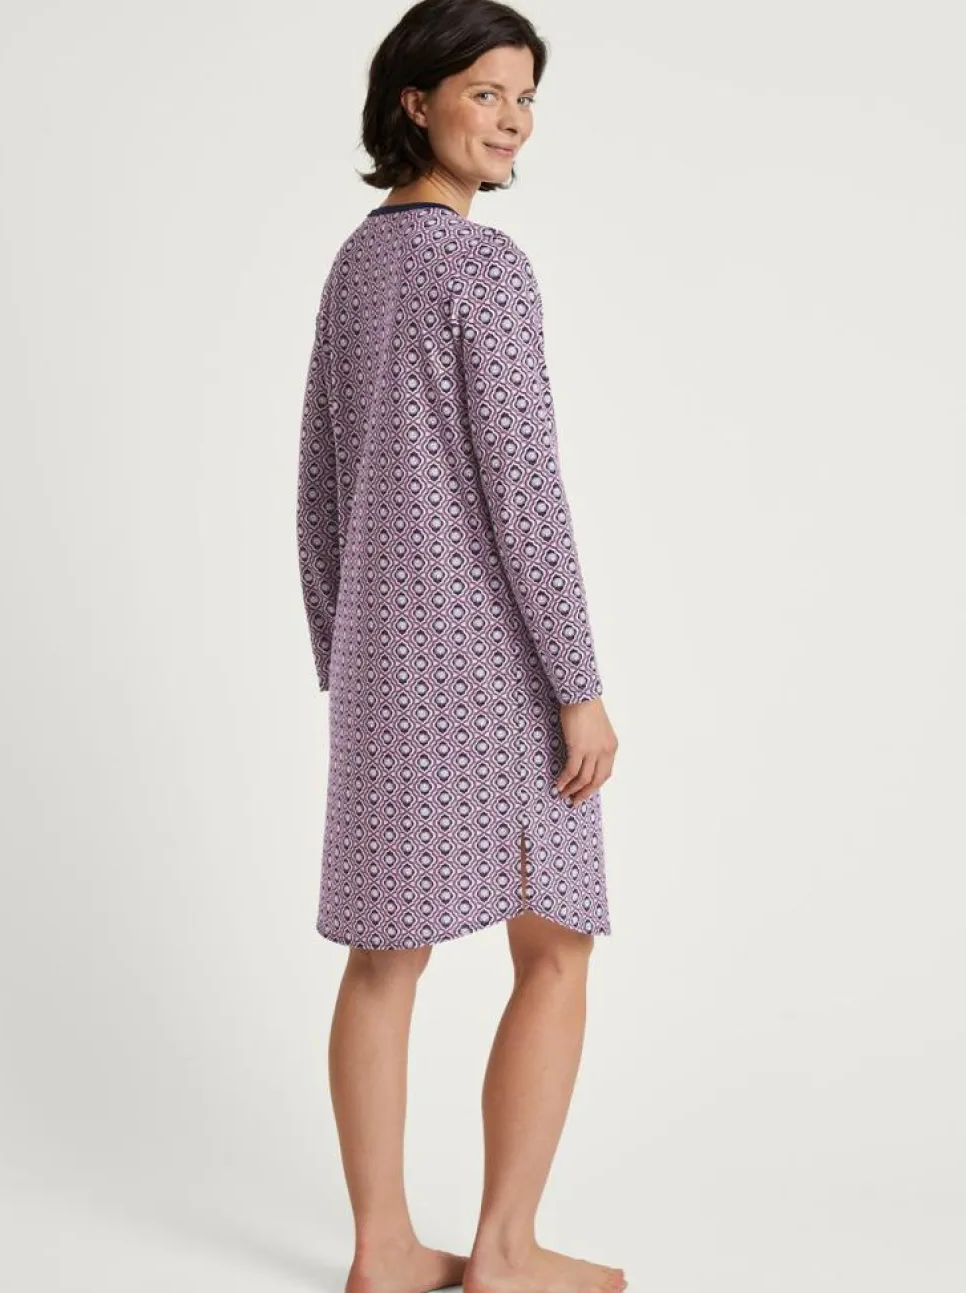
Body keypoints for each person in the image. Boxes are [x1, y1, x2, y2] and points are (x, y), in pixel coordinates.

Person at [295, 3, 623, 1291]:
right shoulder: (483, 268)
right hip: (494, 667)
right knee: (556, 946)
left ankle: (382, 1249)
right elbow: (524, 493)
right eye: (485, 92)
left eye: (525, 97)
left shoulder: (355, 266)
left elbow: (317, 489)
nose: (512, 119)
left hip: (383, 667)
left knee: (385, 959)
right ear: (415, 101)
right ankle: (503, 1249)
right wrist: (579, 688)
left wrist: (346, 659)